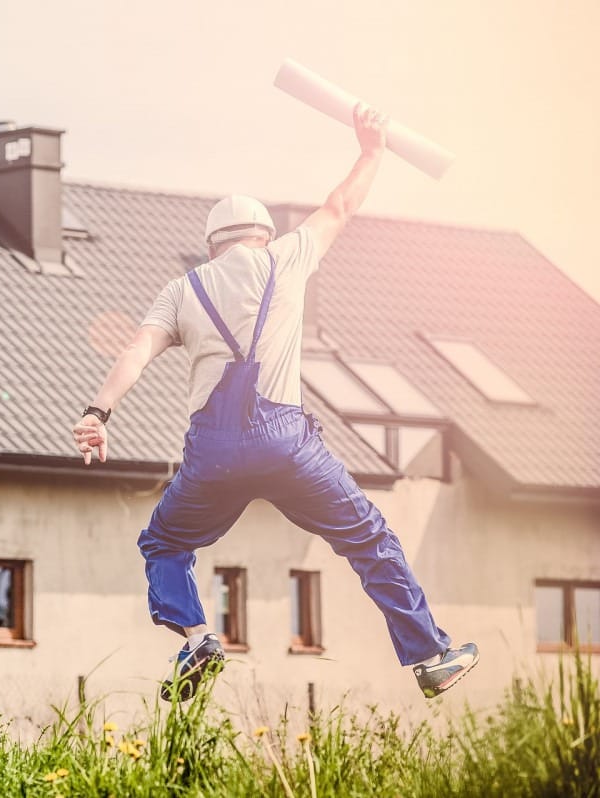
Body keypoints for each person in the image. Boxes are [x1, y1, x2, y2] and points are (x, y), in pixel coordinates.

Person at [71, 104, 478, 701]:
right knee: (368, 540)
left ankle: (197, 639)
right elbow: (340, 206)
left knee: (164, 542)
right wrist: (371, 150)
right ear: (262, 234)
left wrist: (97, 414)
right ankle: (431, 656)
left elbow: (136, 350)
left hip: (213, 456)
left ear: (212, 245)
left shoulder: (183, 289)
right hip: (289, 446)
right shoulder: (286, 259)